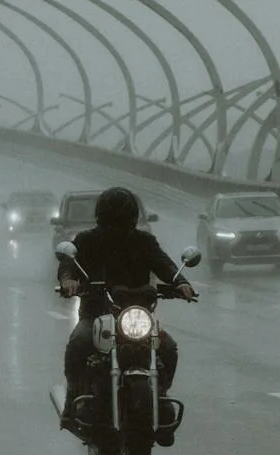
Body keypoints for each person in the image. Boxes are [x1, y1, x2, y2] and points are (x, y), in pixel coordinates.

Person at [57, 187, 196, 442]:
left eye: (121, 220)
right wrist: (68, 281)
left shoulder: (144, 241)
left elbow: (163, 264)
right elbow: (68, 265)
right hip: (96, 314)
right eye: (113, 220)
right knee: (79, 343)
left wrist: (180, 282)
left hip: (136, 315)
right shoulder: (87, 240)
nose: (117, 226)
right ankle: (72, 403)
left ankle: (161, 395)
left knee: (167, 347)